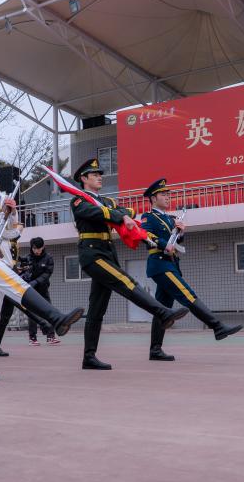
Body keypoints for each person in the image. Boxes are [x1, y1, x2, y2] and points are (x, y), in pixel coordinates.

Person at [0, 146, 84, 381]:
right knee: (17, 284)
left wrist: (11, 214)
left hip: (0, 254)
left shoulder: (1, 196)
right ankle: (55, 318)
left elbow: (11, 233)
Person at [70, 158, 188, 370]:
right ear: (84, 179)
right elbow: (94, 213)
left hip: (107, 252)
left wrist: (121, 215)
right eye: (95, 174)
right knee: (125, 281)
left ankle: (89, 357)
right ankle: (162, 312)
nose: (100, 177)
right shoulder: (79, 200)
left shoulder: (106, 201)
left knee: (97, 309)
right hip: (92, 254)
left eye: (100, 174)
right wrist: (119, 216)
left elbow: (129, 212)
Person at [140, 178, 242, 361]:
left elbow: (175, 241)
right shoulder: (149, 217)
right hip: (160, 264)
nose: (167, 197)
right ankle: (217, 327)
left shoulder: (170, 218)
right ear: (153, 198)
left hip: (171, 263)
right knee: (187, 294)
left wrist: (181, 232)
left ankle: (155, 350)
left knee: (162, 308)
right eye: (163, 194)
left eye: (168, 194)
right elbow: (144, 235)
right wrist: (163, 244)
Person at [24, 237, 58, 346]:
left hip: (43, 289)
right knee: (32, 314)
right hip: (31, 291)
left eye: (38, 248)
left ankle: (50, 336)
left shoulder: (48, 258)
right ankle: (32, 338)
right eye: (34, 248)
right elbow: (24, 272)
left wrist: (36, 282)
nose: (36, 251)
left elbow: (47, 273)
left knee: (49, 312)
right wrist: (26, 276)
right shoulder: (28, 258)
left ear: (43, 247)